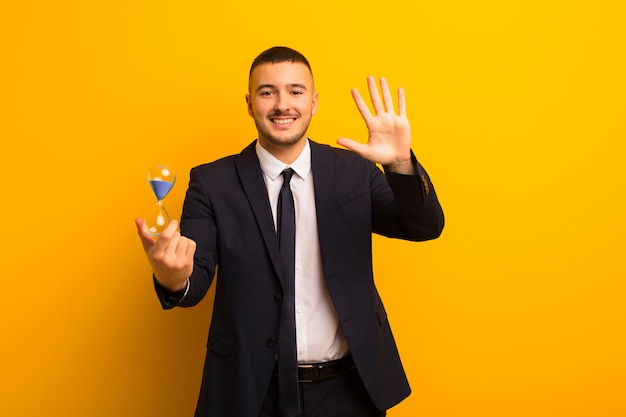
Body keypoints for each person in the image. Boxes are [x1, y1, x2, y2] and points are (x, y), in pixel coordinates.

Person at [136, 46, 444, 417]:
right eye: (268, 92)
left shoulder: (354, 170)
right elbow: (194, 277)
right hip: (251, 392)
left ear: (313, 102)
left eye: (296, 91)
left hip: (348, 390)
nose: (283, 104)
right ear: (250, 104)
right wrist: (174, 279)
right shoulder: (211, 182)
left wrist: (400, 164)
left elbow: (423, 226)